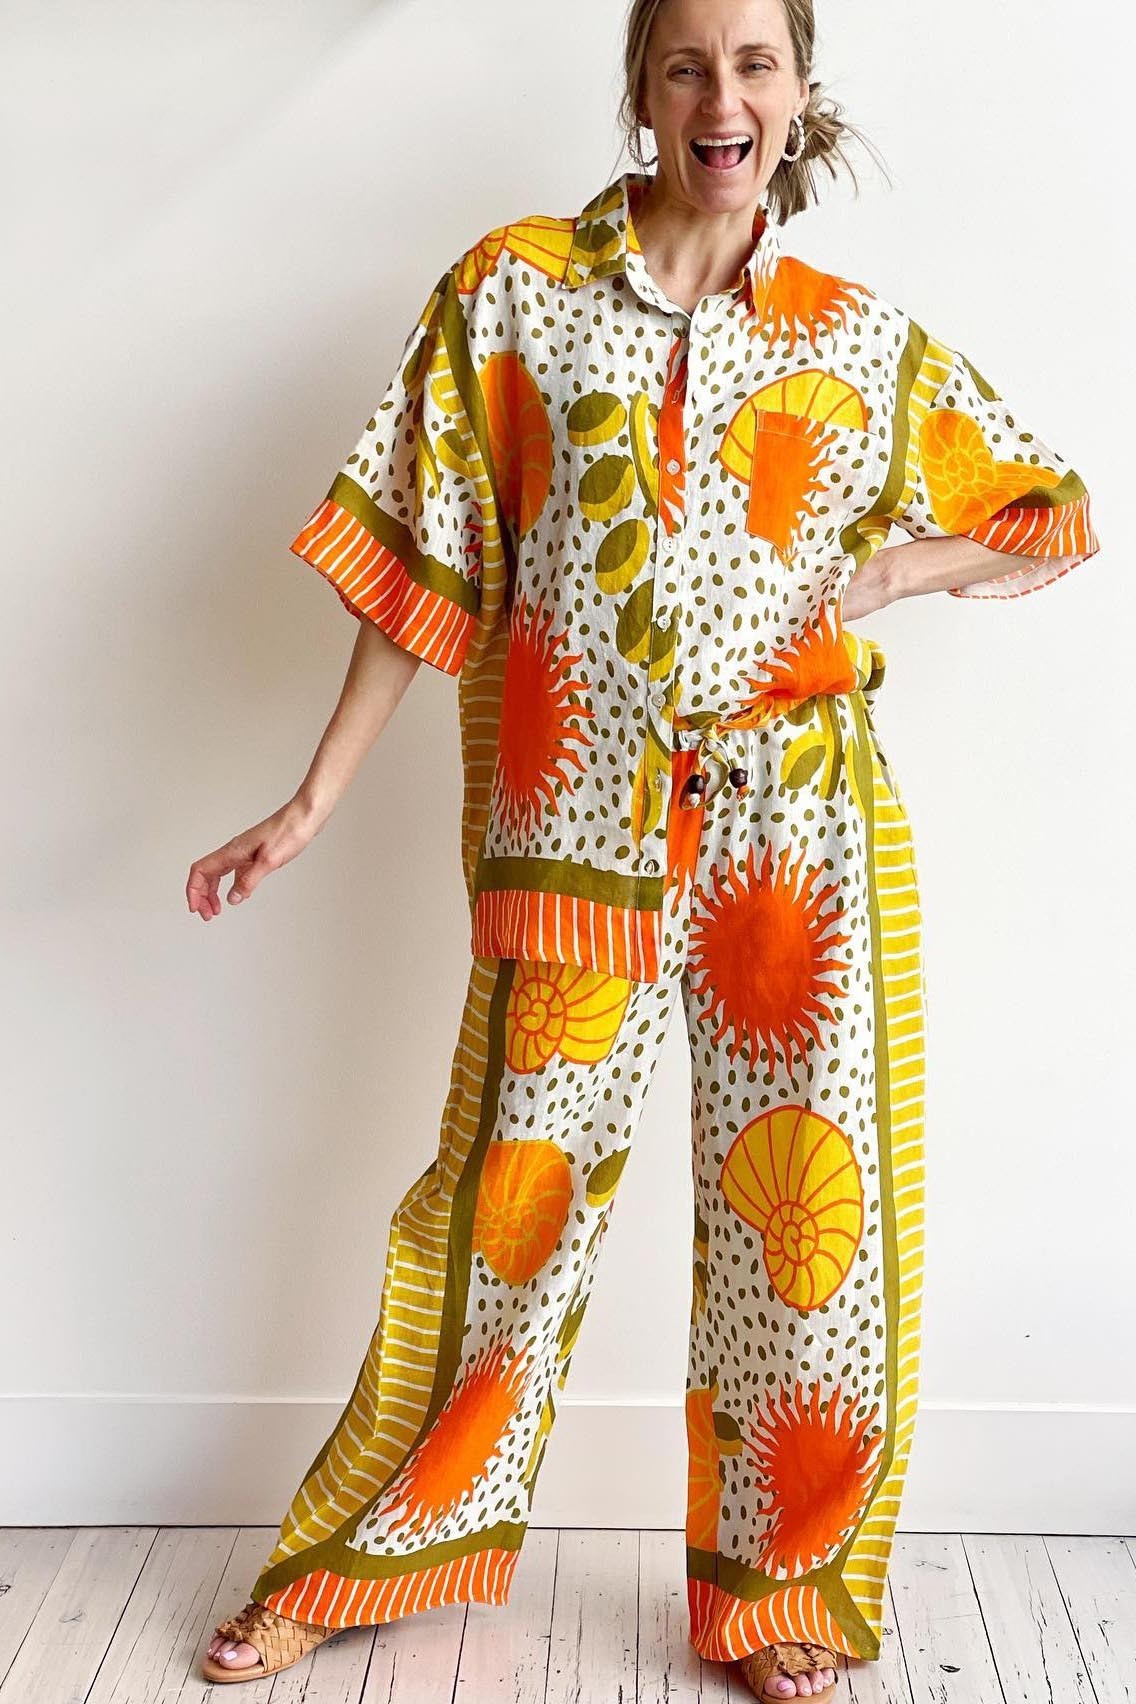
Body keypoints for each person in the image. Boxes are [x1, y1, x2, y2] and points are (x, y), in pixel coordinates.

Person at [187, 0, 1099, 1695]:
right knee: (500, 1221)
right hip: (579, 845)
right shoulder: (512, 295)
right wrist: (312, 798)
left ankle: (781, 1597)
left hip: (795, 845)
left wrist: (886, 574)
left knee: (805, 1241)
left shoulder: (856, 342)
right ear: (642, 91)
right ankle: (351, 1562)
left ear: (799, 93)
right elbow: (426, 558)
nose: (721, 96)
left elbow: (1050, 509)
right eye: (688, 64)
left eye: (755, 63)